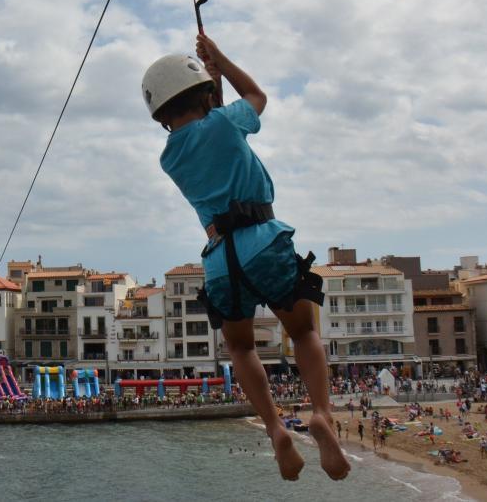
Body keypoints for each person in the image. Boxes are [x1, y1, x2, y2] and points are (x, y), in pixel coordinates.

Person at [142, 35, 347, 482]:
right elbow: (257, 96)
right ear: (207, 96)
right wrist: (221, 61)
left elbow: (206, 125)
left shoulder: (168, 157)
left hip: (219, 259)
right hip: (262, 240)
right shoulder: (223, 123)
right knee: (303, 331)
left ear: (159, 112)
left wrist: (209, 82)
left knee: (239, 346)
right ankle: (322, 415)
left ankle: (275, 430)